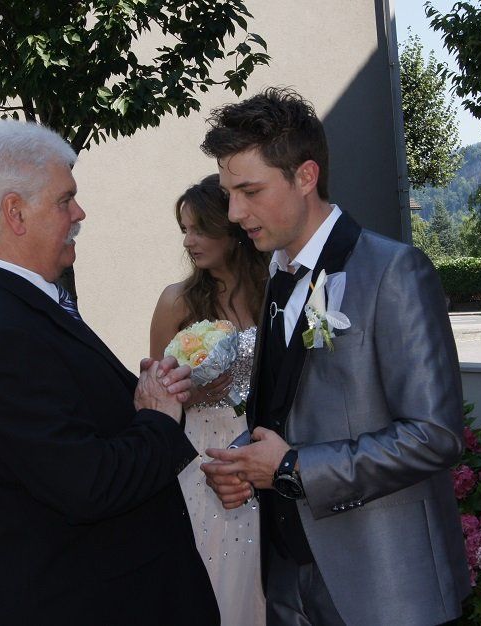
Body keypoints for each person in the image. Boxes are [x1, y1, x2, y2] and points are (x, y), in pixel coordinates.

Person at [198, 88, 470, 626]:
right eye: (229, 194)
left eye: (250, 191)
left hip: (384, 584)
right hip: (287, 577)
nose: (234, 213)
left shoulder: (394, 271)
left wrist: (293, 468)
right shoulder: (276, 278)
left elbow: (435, 434)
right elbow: (289, 410)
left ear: (306, 176)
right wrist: (242, 461)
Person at [0, 120, 220, 625]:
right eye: (65, 200)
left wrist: (137, 395)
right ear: (15, 213)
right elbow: (87, 483)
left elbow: (73, 424)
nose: (79, 212)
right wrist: (157, 418)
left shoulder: (20, 305)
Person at [150, 174, 269, 626]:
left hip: (262, 452)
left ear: (231, 229)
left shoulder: (271, 292)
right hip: (201, 459)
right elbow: (154, 396)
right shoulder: (176, 301)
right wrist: (193, 392)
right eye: (184, 230)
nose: (189, 241)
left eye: (200, 229)